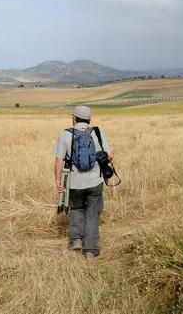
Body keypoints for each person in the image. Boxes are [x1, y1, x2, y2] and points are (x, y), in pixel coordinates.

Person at [53, 105, 113, 259]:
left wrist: (58, 180)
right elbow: (110, 155)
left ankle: (76, 241)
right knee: (92, 214)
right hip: (95, 181)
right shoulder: (96, 133)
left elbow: (59, 160)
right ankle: (91, 251)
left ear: (74, 118)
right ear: (89, 119)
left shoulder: (66, 134)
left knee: (77, 209)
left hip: (74, 183)